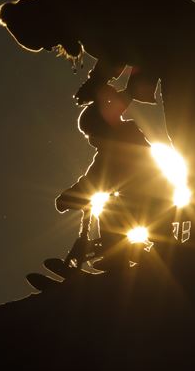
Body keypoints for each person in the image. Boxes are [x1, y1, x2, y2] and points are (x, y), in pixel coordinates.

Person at [0, 0, 195, 240]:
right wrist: (101, 84)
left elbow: (131, 47)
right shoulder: (78, 8)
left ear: (42, 24)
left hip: (184, 40)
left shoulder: (80, 11)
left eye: (42, 41)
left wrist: (113, 87)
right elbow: (123, 51)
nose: (50, 48)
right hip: (184, 37)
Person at [56, 86, 174, 269]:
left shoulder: (113, 151)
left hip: (151, 203)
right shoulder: (128, 137)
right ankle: (150, 250)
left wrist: (68, 198)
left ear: (102, 129)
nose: (90, 140)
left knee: (112, 211)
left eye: (91, 134)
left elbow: (93, 180)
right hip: (161, 199)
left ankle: (117, 259)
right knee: (116, 205)